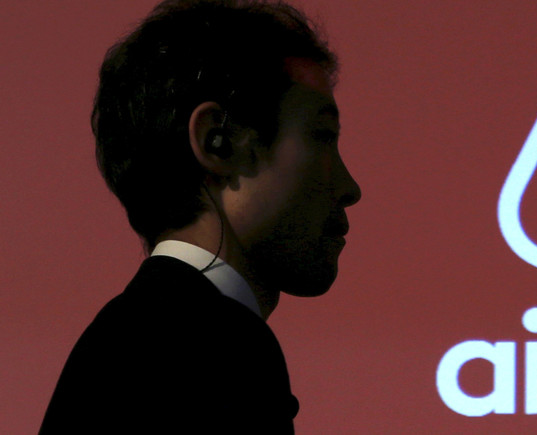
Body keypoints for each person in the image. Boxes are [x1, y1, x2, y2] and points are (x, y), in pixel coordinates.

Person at [40, 0, 360, 432]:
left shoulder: (126, 338)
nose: (349, 187)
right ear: (218, 142)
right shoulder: (213, 345)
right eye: (322, 136)